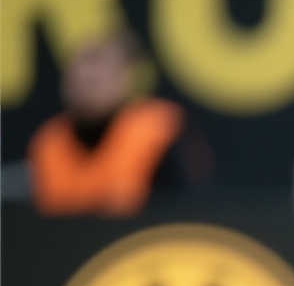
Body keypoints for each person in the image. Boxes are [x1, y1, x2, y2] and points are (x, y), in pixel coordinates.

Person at [29, 29, 205, 217]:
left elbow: (182, 207)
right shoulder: (49, 141)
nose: (86, 91)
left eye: (96, 81)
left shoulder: (157, 131)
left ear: (125, 81)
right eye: (79, 80)